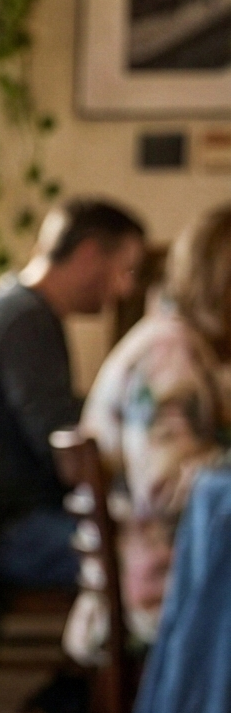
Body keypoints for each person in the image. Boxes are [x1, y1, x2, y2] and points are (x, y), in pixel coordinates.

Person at [0, 197, 147, 591]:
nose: (126, 287)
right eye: (125, 269)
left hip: (1, 522)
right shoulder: (25, 320)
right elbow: (61, 450)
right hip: (12, 532)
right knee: (160, 554)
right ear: (88, 254)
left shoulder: (15, 308)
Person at [65, 204, 231, 665]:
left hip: (161, 572)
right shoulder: (168, 354)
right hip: (160, 590)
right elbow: (166, 486)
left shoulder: (175, 343)